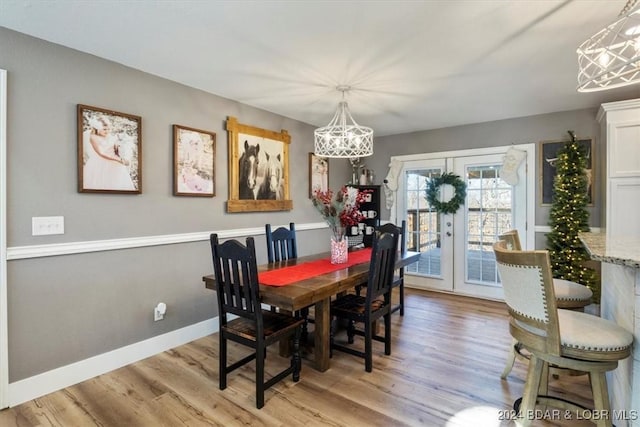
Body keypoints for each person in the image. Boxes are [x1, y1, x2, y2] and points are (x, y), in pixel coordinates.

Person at [83, 115, 136, 191]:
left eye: (108, 129)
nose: (107, 131)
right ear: (97, 128)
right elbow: (101, 153)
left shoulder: (109, 136)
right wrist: (119, 159)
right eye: (104, 129)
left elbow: (114, 147)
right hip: (100, 163)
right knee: (101, 182)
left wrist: (118, 149)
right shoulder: (93, 137)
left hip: (114, 162)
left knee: (116, 182)